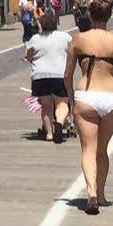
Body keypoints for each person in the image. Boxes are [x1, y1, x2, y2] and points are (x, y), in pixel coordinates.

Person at [24, 9, 73, 142]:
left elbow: (28, 56)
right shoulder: (65, 37)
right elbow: (72, 52)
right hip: (59, 74)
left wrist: (35, 61)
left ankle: (49, 134)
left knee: (46, 106)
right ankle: (60, 122)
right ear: (56, 23)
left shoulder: (35, 38)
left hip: (39, 75)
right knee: (62, 104)